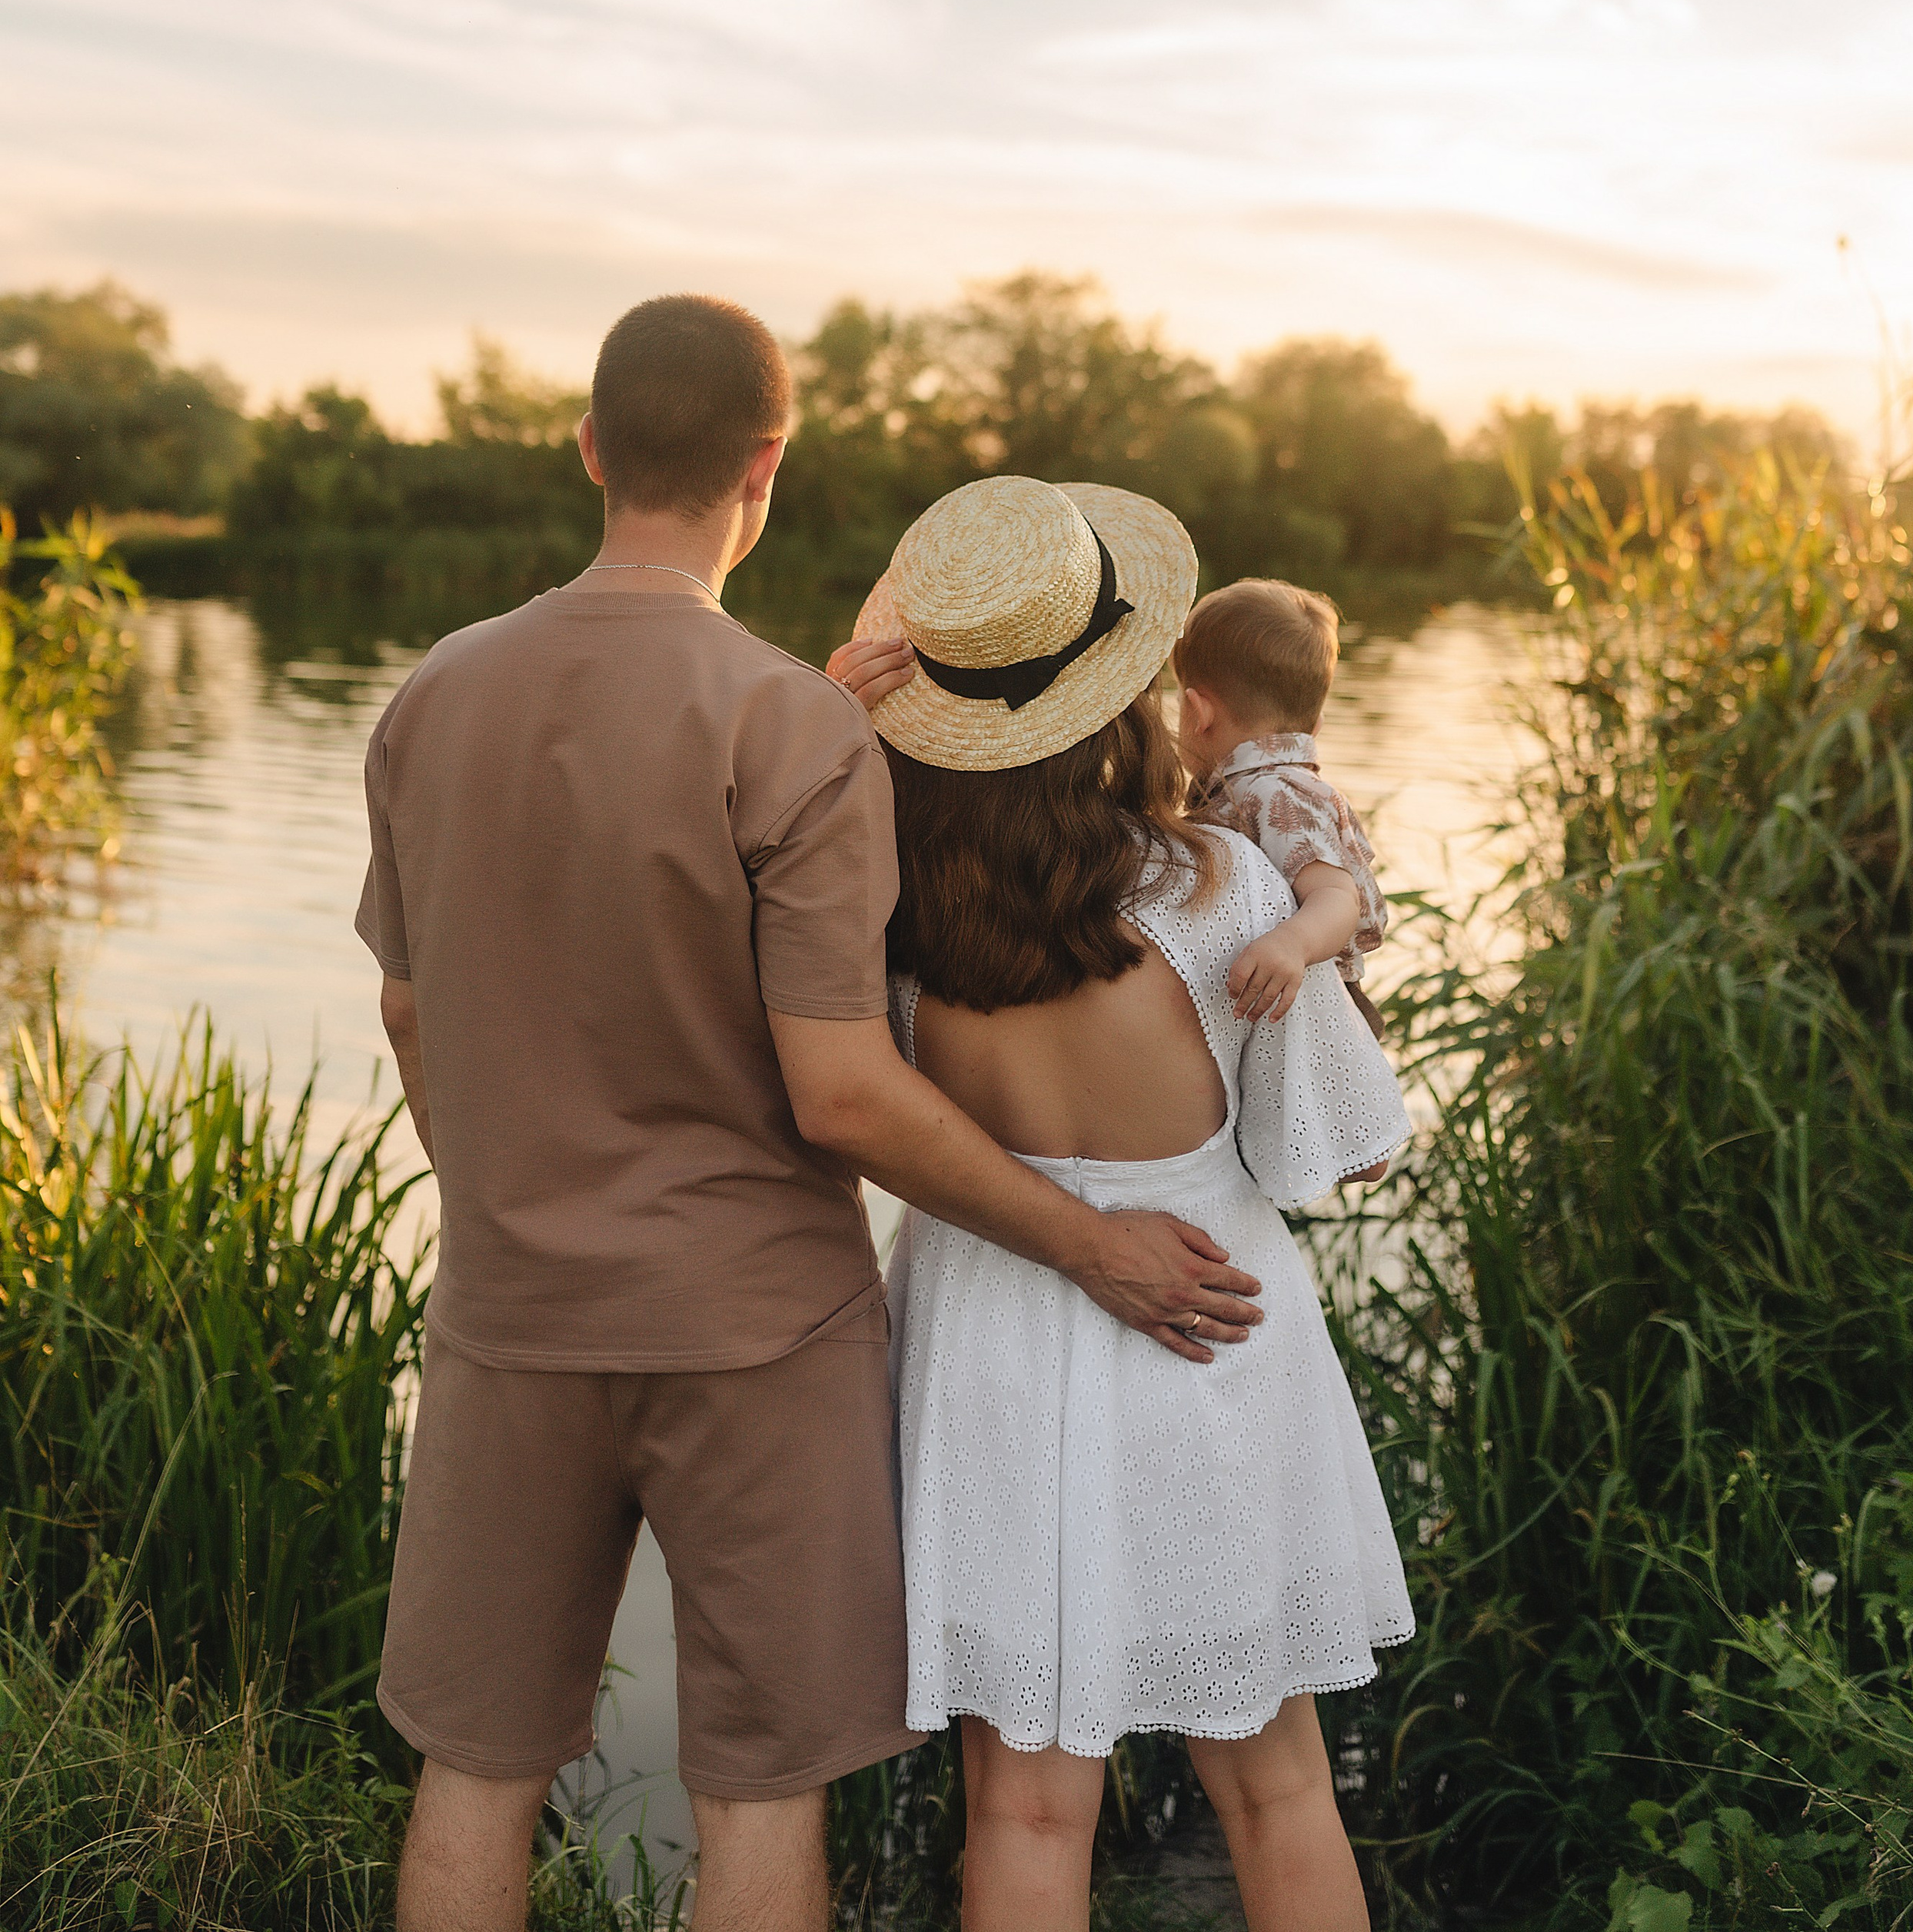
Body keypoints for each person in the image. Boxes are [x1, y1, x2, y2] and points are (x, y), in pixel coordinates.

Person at [358, 299, 1266, 1932]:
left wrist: (516, 1203)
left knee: (477, 1767)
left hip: (510, 1310)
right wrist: (1091, 1244)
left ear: (588, 448)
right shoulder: (788, 721)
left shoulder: (433, 693)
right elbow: (841, 1086)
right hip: (755, 1328)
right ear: (765, 467)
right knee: (758, 1789)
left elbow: (410, 1007)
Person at [827, 478, 1415, 1932]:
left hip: (993, 1343)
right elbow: (1340, 1144)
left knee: (1024, 1804)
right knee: (1277, 1786)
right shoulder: (1222, 882)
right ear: (1120, 697)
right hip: (1211, 1327)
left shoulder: (889, 911)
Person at [1172, 579, 1391, 1039]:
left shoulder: (1275, 792)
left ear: (1197, 714)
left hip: (1315, 1007)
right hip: (1281, 1000)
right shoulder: (1254, 786)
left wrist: (1292, 943)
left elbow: (1336, 897)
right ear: (1318, 722)